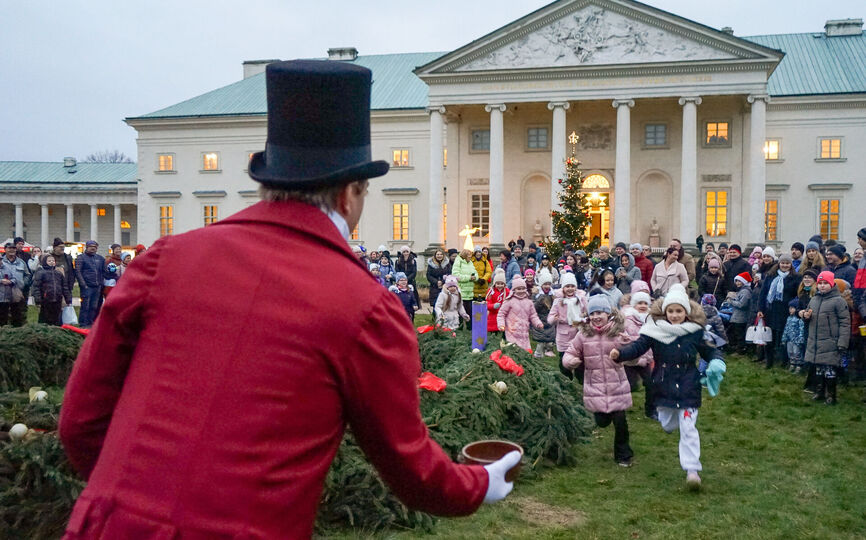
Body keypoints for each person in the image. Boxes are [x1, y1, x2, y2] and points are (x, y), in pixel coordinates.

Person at [58, 61, 518, 539]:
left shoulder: (165, 259)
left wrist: (130, 501)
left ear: (267, 180)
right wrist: (480, 481)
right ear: (349, 195)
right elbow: (412, 471)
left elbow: (80, 424)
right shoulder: (365, 306)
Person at [612, 284, 724, 490]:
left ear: (686, 312)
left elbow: (711, 351)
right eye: (671, 311)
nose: (674, 315)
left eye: (679, 311)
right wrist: (621, 354)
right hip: (663, 386)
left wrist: (717, 362)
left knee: (688, 428)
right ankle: (668, 421)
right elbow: (639, 346)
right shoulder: (654, 331)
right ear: (664, 311)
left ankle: (692, 471)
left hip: (689, 386)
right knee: (668, 424)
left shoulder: (696, 332)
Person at [563, 295, 634, 467]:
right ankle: (603, 417)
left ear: (608, 314)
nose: (596, 317)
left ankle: (623, 455)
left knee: (620, 422)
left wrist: (627, 347)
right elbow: (570, 352)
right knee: (602, 421)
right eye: (593, 313)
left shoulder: (617, 333)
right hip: (595, 386)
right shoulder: (583, 334)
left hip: (617, 385)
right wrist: (570, 361)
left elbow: (633, 352)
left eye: (600, 312)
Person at [801, 271, 850, 405]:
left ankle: (831, 395)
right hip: (815, 341)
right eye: (820, 283)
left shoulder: (839, 302)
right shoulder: (814, 300)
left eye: (825, 283)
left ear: (832, 284)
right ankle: (819, 391)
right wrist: (805, 316)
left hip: (831, 342)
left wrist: (842, 343)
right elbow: (808, 315)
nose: (822, 286)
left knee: (829, 370)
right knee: (818, 369)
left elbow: (845, 323)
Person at [757, 253, 802, 369]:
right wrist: (760, 309)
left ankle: (784, 361)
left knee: (784, 336)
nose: (785, 265)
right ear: (779, 263)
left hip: (786, 311)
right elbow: (763, 292)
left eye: (787, 263)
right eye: (783, 263)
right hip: (770, 310)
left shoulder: (796, 277)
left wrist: (794, 307)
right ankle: (769, 361)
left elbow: (798, 294)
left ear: (790, 265)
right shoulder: (771, 275)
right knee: (769, 336)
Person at [621, 290, 655, 418]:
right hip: (630, 360)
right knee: (629, 385)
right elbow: (624, 338)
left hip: (645, 358)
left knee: (651, 383)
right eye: (639, 303)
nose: (642, 306)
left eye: (645, 303)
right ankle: (620, 406)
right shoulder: (627, 319)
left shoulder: (651, 319)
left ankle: (650, 410)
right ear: (633, 305)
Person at [548, 273, 587, 379]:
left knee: (580, 358)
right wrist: (555, 319)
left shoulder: (581, 299)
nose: (570, 289)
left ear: (576, 287)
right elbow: (550, 317)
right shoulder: (558, 301)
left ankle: (581, 379)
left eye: (572, 286)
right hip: (564, 335)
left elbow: (587, 313)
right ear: (563, 287)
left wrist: (582, 319)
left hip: (578, 333)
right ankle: (567, 379)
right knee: (564, 361)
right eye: (567, 286)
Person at [497, 276, 544, 351]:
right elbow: (501, 314)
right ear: (514, 290)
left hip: (524, 332)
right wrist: (501, 324)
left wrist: (538, 323)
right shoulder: (509, 301)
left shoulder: (529, 302)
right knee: (514, 351)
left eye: (523, 288)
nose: (521, 291)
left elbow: (533, 315)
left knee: (525, 352)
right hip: (512, 332)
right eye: (519, 289)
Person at [31, 253, 72, 326]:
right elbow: (36, 287)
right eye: (49, 261)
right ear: (44, 262)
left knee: (57, 318)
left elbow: (64, 287)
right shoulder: (41, 273)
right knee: (45, 319)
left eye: (53, 261)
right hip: (46, 300)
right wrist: (38, 299)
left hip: (57, 299)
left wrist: (68, 299)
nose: (52, 262)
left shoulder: (59, 273)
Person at [75, 240, 106, 328]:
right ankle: (83, 324)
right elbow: (78, 272)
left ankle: (92, 323)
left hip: (97, 286)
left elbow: (104, 272)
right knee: (85, 306)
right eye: (91, 246)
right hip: (87, 286)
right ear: (87, 247)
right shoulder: (81, 258)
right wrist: (83, 284)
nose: (93, 248)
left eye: (95, 246)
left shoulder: (100, 258)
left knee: (94, 307)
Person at [0, 243, 28, 327]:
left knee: (18, 317)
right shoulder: (3, 262)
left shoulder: (21, 262)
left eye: (14, 248)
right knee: (2, 317)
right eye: (9, 248)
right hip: (2, 295)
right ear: (5, 249)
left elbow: (27, 274)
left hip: (17, 293)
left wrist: (23, 283)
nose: (12, 250)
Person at [531, 269, 557, 358]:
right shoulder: (537, 294)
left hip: (549, 320)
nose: (547, 286)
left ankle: (548, 350)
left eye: (549, 284)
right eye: (545, 284)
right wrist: (540, 300)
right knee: (540, 340)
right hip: (540, 320)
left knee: (550, 339)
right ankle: (538, 354)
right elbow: (533, 308)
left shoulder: (552, 294)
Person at [727, 272, 754, 354]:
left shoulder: (745, 292)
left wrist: (731, 301)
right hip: (737, 316)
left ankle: (740, 350)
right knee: (736, 333)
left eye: (739, 281)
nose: (737, 283)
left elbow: (742, 304)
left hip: (740, 317)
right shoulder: (742, 290)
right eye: (736, 281)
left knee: (740, 335)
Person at [452, 249, 478, 329]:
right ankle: (459, 330)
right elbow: (456, 275)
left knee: (470, 313)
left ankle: (470, 331)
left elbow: (476, 273)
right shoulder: (458, 263)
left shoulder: (470, 263)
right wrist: (469, 278)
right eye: (469, 256)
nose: (470, 258)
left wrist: (475, 277)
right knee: (460, 313)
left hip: (470, 293)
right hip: (461, 292)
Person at [781, 299, 806, 374]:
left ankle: (799, 365)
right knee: (790, 352)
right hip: (789, 339)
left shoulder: (799, 320)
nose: (790, 310)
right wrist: (784, 338)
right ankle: (792, 364)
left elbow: (802, 329)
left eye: (792, 308)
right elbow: (786, 328)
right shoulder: (789, 318)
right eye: (789, 308)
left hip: (796, 340)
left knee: (797, 352)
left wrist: (801, 339)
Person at [486, 270, 509, 337]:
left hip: (503, 315)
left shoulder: (507, 292)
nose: (500, 285)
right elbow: (487, 304)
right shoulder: (491, 292)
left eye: (502, 284)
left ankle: (504, 340)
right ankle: (493, 339)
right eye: (498, 284)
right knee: (494, 331)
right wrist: (493, 306)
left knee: (504, 331)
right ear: (494, 284)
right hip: (493, 315)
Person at [426, 248, 449, 313]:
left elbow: (449, 274)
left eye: (441, 254)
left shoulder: (447, 264)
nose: (439, 256)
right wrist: (436, 282)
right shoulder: (431, 264)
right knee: (435, 305)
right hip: (434, 287)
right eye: (438, 254)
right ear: (435, 255)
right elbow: (428, 275)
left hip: (444, 286)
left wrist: (442, 281)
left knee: (445, 304)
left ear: (443, 255)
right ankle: (435, 320)